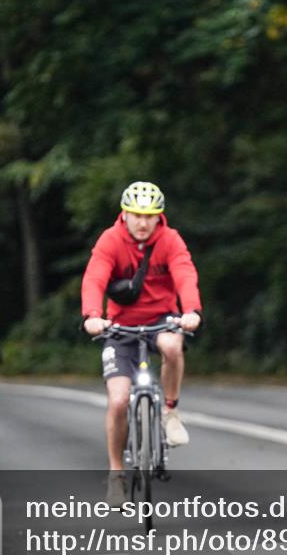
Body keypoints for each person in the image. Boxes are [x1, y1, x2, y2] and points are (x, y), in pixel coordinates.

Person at [81, 181, 203, 506]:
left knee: (174, 347)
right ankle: (116, 474)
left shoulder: (169, 239)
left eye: (150, 215)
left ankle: (170, 412)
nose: (143, 222)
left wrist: (191, 310)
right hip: (119, 325)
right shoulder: (111, 240)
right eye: (136, 215)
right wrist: (92, 315)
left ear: (158, 216)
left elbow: (184, 273)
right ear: (125, 214)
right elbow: (94, 278)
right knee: (119, 400)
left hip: (163, 318)